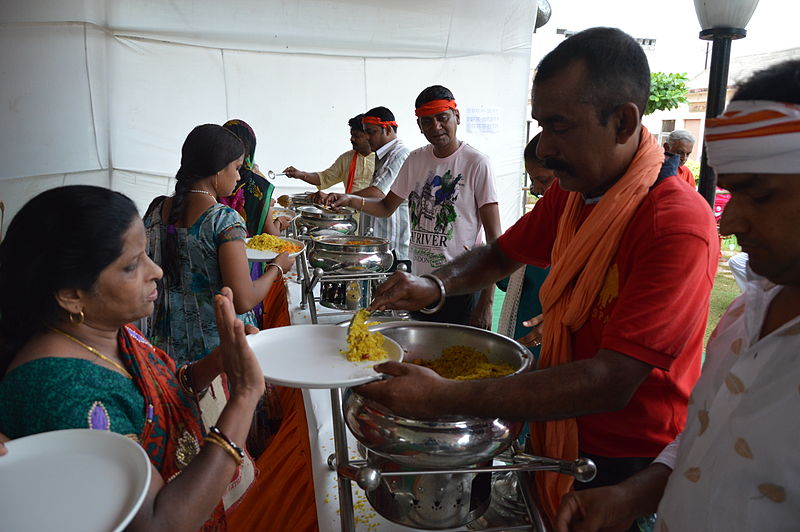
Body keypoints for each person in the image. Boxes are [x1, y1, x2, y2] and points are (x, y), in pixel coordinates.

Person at [357, 27, 718, 527]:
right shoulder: (574, 192)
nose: (544, 149)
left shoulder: (674, 225)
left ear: (623, 121)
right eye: (541, 126)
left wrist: (443, 397)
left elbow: (610, 381)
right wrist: (433, 285)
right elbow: (501, 253)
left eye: (560, 126)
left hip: (623, 465)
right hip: (552, 428)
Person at [554, 58, 800, 532]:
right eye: (733, 193)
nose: (728, 223)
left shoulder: (676, 221)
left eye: (762, 194)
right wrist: (631, 496)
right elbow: (712, 430)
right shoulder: (750, 307)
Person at [0, 185, 265, 531]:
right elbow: (160, 521)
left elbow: (169, 388)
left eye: (146, 255)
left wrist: (220, 361)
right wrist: (244, 397)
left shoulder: (108, 329)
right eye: (131, 266)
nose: (156, 271)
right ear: (71, 295)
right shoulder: (61, 392)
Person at [326, 85, 501, 328]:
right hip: (420, 283)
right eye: (427, 121)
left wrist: (487, 303)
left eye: (442, 118)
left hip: (461, 285)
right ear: (419, 126)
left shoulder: (477, 163)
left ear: (457, 117)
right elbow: (386, 206)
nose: (436, 127)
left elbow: (495, 242)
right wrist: (351, 200)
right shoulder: (416, 159)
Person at [142, 124, 293, 366]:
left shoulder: (158, 210)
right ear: (217, 170)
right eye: (235, 168)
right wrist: (277, 267)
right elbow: (243, 299)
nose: (238, 176)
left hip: (165, 348)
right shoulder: (224, 220)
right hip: (216, 354)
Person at [497, 134, 554, 364]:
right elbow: (505, 276)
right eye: (534, 182)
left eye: (544, 181)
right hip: (523, 328)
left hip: (551, 334)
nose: (537, 190)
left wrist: (555, 318)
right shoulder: (537, 222)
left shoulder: (581, 227)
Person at [359, 106, 412, 261]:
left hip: (392, 248)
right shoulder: (382, 155)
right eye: (365, 132)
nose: (366, 137)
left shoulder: (399, 154)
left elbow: (377, 193)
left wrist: (342, 198)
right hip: (378, 244)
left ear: (388, 130)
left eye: (371, 132)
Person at [283, 113, 375, 193]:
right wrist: (300, 174)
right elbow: (324, 178)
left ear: (368, 136)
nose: (352, 139)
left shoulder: (383, 158)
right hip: (350, 212)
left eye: (357, 136)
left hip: (378, 213)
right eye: (351, 135)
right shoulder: (346, 158)